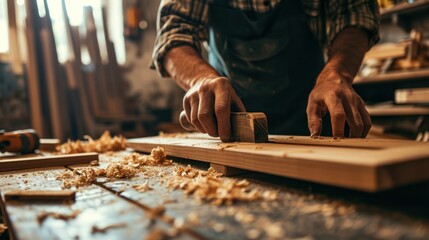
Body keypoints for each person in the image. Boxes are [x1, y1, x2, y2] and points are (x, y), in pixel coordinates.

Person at [152, 0, 380, 141]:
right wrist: (201, 79)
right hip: (229, 127)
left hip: (313, 121)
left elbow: (356, 12)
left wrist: (336, 75)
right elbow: (172, 33)